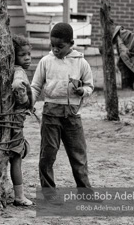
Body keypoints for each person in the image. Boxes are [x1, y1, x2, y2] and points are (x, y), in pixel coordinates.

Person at [30, 22, 94, 202]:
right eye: (52, 45)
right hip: (50, 114)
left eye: (60, 46)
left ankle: (85, 193)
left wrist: (83, 91)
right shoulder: (46, 61)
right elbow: (35, 86)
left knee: (78, 155)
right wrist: (30, 102)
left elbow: (89, 85)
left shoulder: (81, 62)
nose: (55, 50)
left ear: (71, 43)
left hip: (72, 115)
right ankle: (49, 194)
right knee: (47, 155)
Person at [8, 35, 34, 206]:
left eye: (29, 54)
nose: (27, 58)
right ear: (13, 56)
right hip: (15, 121)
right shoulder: (18, 72)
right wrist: (24, 101)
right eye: (23, 55)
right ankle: (19, 196)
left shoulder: (8, 69)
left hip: (9, 118)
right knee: (16, 157)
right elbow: (18, 85)